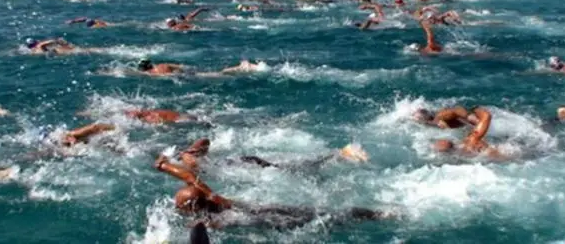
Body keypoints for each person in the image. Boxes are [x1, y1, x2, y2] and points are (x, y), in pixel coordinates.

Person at [154, 155, 390, 230]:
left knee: (321, 219)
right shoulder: (215, 198)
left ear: (192, 208)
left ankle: (378, 216)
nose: (176, 206)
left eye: (179, 205)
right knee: (323, 212)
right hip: (263, 207)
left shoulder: (212, 222)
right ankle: (378, 213)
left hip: (266, 219)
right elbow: (190, 178)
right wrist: (166, 166)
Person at [176, 137, 368, 174]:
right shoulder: (195, 159)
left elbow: (203, 142)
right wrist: (192, 151)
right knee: (291, 167)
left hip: (244, 164)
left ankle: (340, 154)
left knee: (290, 169)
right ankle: (339, 154)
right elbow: (205, 141)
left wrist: (187, 154)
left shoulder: (193, 165)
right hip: (244, 160)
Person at [433, 107, 506, 160]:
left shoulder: (460, 153)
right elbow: (487, 116)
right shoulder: (471, 141)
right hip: (503, 158)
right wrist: (474, 110)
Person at [412, 106, 479, 129]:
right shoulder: (432, 123)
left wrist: (469, 117)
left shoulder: (439, 117)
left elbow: (456, 110)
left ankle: (471, 118)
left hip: (466, 121)